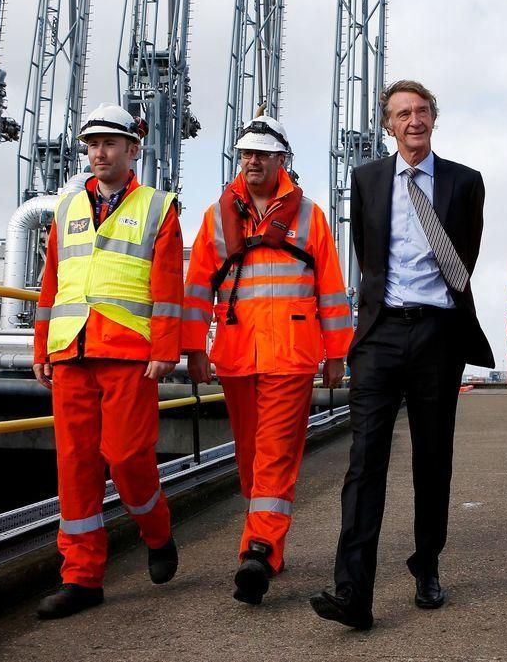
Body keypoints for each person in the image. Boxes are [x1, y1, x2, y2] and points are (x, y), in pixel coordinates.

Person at [310, 79, 492, 630]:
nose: (413, 121)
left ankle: (426, 563)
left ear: (434, 118)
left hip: (438, 334)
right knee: (365, 461)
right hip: (381, 334)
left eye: (421, 111)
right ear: (388, 125)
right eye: (402, 113)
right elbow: (369, 256)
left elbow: (464, 258)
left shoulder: (465, 182)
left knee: (432, 459)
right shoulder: (367, 179)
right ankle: (353, 593)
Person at [181, 116, 352, 605]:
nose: (252, 161)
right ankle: (267, 542)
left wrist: (337, 353)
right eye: (246, 154)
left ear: (282, 160)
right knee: (250, 457)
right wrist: (194, 348)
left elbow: (331, 288)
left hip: (292, 354)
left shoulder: (310, 216)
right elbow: (197, 288)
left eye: (262, 154)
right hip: (237, 353)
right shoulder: (218, 216)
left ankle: (256, 550)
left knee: (275, 454)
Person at [30, 103, 183, 619]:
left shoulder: (157, 207)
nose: (100, 153)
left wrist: (166, 348)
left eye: (110, 143)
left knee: (127, 457)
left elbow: (168, 286)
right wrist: (41, 347)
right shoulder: (66, 208)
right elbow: (51, 283)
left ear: (132, 149)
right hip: (70, 350)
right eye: (93, 144)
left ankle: (157, 533)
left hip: (128, 352)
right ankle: (81, 578)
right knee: (75, 466)